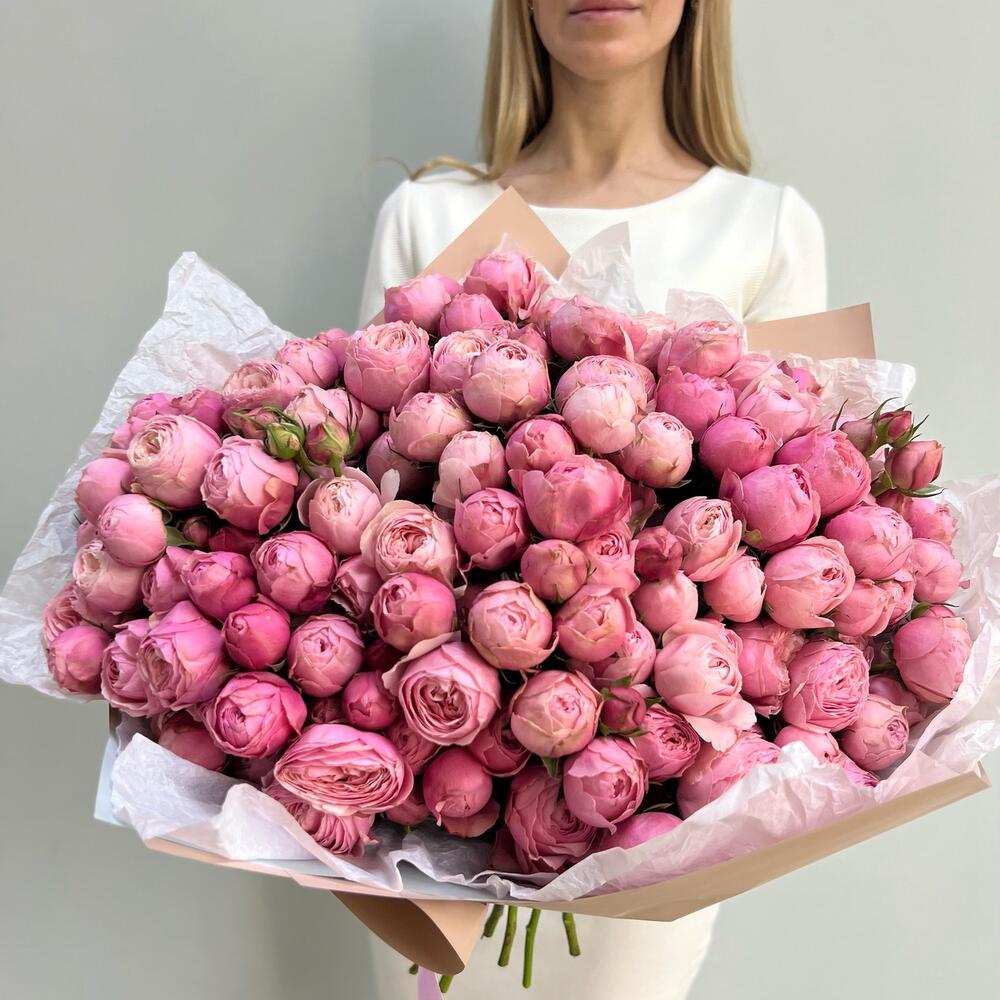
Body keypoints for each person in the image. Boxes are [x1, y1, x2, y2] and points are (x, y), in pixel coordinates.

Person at [361, 2, 826, 997]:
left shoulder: (766, 224)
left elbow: (815, 490)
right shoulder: (429, 215)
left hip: (651, 841)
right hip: (432, 824)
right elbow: (369, 500)